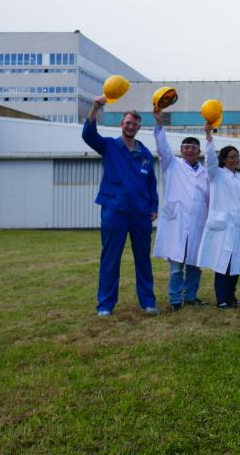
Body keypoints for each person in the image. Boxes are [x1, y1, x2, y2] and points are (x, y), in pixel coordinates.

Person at [81, 97, 159, 316]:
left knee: (143, 259)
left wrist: (154, 206)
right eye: (127, 123)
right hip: (114, 210)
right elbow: (88, 135)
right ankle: (105, 305)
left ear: (139, 127)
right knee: (110, 259)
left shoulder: (144, 154)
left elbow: (151, 183)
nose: (130, 126)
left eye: (134, 124)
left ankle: (148, 302)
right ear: (121, 125)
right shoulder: (109, 146)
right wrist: (95, 108)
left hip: (141, 213)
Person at [151, 108, 210, 312]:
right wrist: (159, 124)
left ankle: (191, 296)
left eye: (193, 147)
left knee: (194, 264)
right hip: (177, 221)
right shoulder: (171, 164)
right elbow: (162, 147)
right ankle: (175, 300)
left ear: (199, 151)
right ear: (181, 149)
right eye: (186, 147)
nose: (189, 150)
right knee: (176, 266)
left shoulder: (204, 173)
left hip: (197, 223)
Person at [196, 125, 240, 309]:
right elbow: (209, 160)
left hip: (239, 227)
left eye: (237, 156)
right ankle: (222, 299)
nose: (235, 160)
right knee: (222, 264)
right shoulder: (216, 174)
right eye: (231, 157)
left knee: (235, 263)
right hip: (223, 226)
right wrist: (209, 137)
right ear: (224, 160)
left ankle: (231, 296)